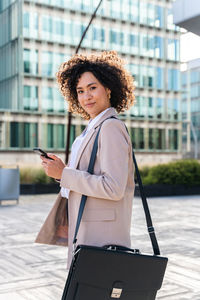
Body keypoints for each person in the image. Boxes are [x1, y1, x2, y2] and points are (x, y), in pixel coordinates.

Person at [35, 51, 136, 268]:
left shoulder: (110, 127)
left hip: (102, 237)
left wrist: (64, 174)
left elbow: (114, 187)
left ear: (108, 88)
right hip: (87, 232)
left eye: (92, 88)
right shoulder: (92, 128)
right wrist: (60, 171)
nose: (86, 96)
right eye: (80, 91)